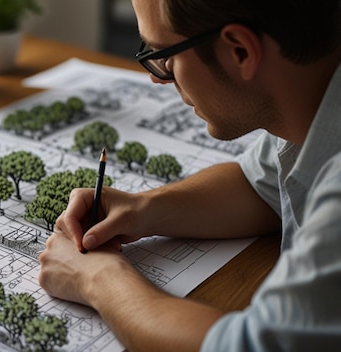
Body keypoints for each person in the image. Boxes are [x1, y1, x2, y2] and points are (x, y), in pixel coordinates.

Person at [38, 0, 341, 351]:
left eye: (165, 56)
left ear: (240, 52)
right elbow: (258, 185)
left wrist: (97, 279)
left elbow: (245, 345)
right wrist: (143, 208)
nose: (155, 77)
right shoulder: (308, 96)